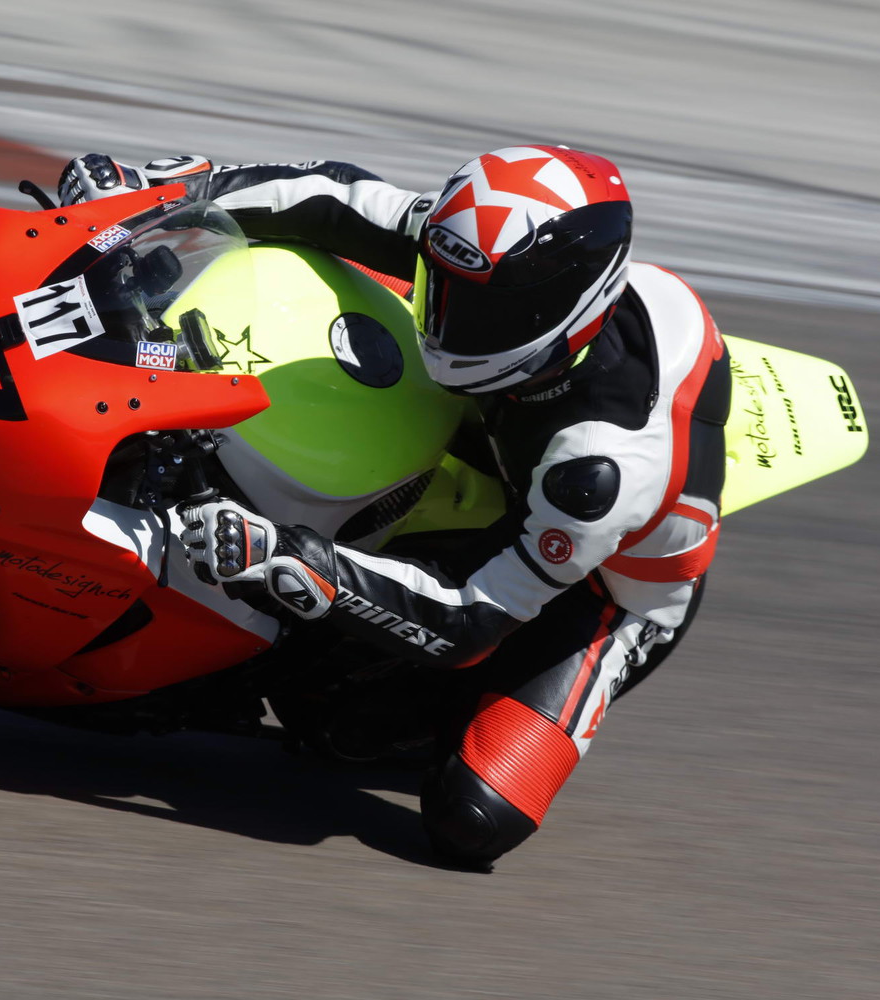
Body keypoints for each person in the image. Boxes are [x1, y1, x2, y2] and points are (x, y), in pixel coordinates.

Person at [59, 146, 731, 869]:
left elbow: (470, 616)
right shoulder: (488, 255)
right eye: (443, 290)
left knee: (466, 817)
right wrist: (153, 194)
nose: (447, 319)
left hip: (596, 590)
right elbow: (337, 197)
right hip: (501, 435)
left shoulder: (595, 473)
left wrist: (291, 559)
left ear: (558, 312)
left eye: (480, 311)